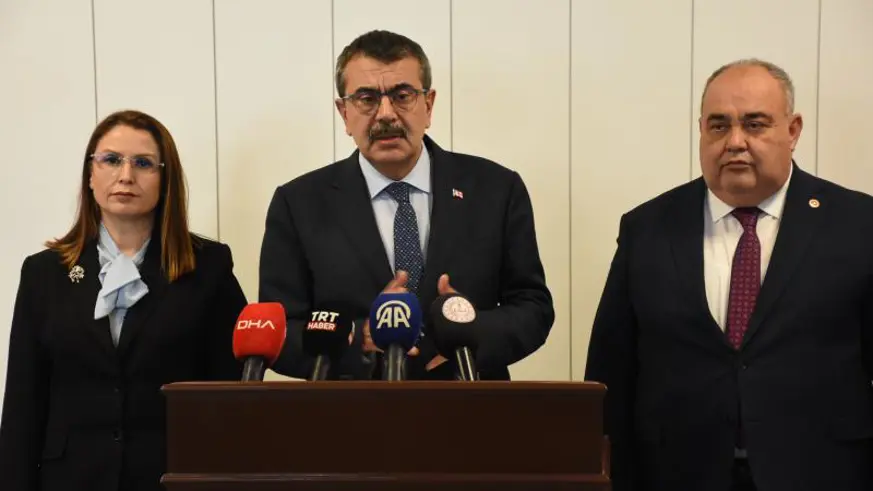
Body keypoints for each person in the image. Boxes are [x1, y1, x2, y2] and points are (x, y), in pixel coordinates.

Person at [584, 58, 873, 491]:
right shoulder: (648, 228)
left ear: (793, 130)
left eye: (755, 124)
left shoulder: (857, 224)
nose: (735, 142)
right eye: (719, 126)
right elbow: (611, 370)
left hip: (823, 471)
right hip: (677, 474)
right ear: (700, 130)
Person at [259, 29, 554, 381]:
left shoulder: (496, 190)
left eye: (402, 96)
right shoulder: (299, 204)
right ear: (344, 112)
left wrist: (470, 332)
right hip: (350, 410)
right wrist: (361, 338)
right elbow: (278, 331)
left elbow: (533, 307)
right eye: (366, 98)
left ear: (428, 105)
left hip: (469, 405)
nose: (386, 114)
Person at [0, 110, 248, 491]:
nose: (126, 175)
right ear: (90, 174)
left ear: (165, 179)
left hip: (172, 476)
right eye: (111, 160)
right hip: (70, 479)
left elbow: (232, 396)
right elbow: (23, 404)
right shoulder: (43, 273)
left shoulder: (208, 268)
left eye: (143, 163)